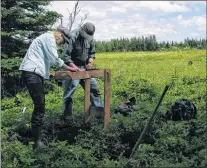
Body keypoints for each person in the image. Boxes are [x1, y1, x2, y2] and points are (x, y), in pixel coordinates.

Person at [19, 26, 78, 150]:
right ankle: (37, 142)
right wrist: (70, 68)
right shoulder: (49, 38)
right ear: (60, 35)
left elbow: (45, 58)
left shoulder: (46, 38)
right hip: (32, 73)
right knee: (40, 106)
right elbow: (54, 59)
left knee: (39, 106)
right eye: (64, 41)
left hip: (33, 72)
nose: (62, 44)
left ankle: (35, 138)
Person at [61, 22, 104, 122]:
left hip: (84, 68)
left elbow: (92, 53)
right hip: (71, 68)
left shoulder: (90, 38)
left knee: (94, 89)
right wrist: (75, 68)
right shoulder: (73, 36)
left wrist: (89, 62)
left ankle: (99, 116)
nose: (87, 37)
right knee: (69, 93)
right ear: (82, 30)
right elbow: (65, 56)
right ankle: (67, 119)